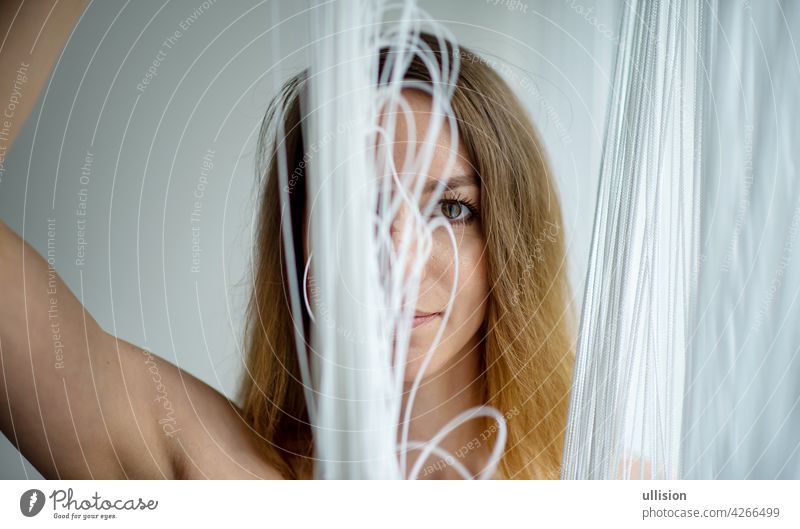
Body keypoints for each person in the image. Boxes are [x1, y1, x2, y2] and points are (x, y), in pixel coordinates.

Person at [0, 2, 574, 480]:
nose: (398, 257)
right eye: (355, 207)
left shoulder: (606, 479)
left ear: (512, 242)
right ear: (298, 236)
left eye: (452, 208)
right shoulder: (224, 471)